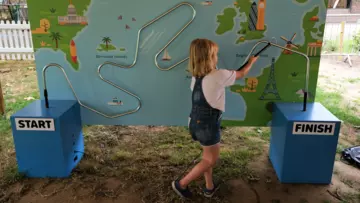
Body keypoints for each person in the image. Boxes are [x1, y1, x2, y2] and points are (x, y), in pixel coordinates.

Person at [171, 38, 258, 199]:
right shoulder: (219, 75)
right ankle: (181, 184)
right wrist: (251, 61)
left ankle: (209, 187)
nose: (217, 57)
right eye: (215, 54)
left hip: (194, 122)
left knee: (207, 156)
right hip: (208, 125)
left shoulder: (196, 77)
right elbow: (242, 73)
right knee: (211, 160)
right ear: (209, 57)